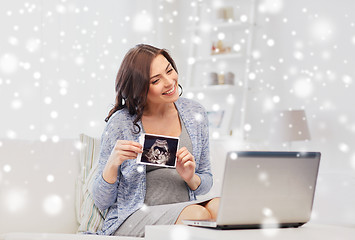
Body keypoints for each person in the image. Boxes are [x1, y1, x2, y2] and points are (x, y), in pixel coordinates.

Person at [92, 44, 219, 237]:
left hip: (184, 206)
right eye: (156, 80)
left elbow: (206, 181)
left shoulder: (195, 113)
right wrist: (112, 163)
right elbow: (102, 201)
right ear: (139, 88)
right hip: (133, 216)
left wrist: (190, 177)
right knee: (197, 215)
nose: (169, 82)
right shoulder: (121, 123)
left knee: (219, 207)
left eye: (169, 70)